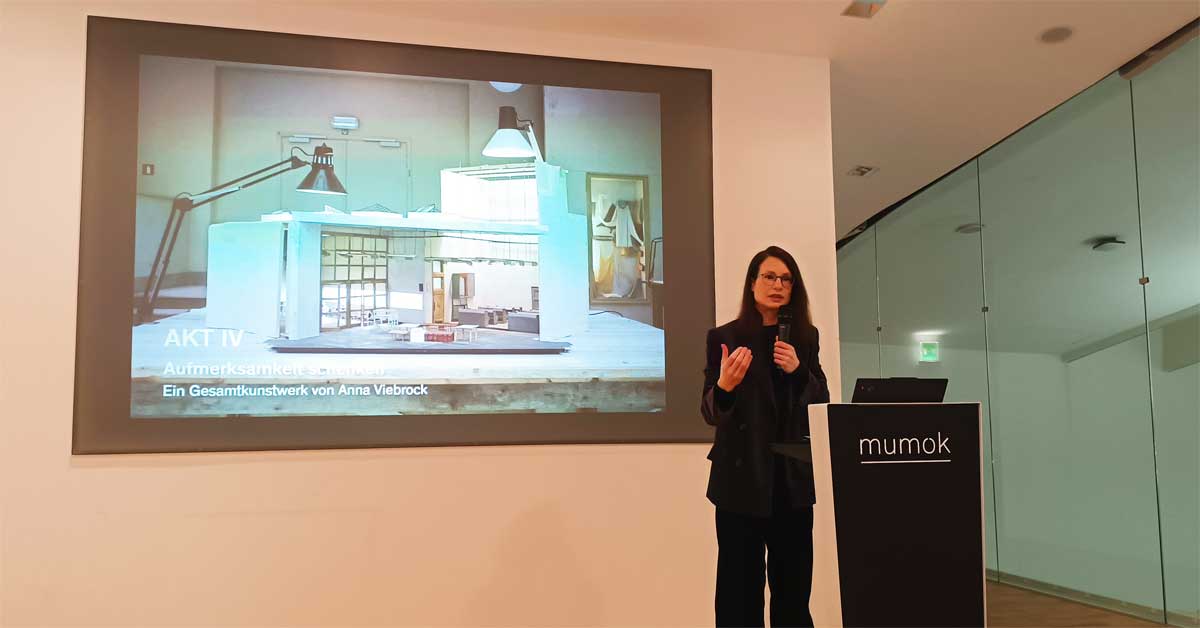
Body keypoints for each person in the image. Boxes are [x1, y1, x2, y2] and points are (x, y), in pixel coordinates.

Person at [701, 245, 830, 627]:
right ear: (752, 283)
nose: (778, 285)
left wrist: (799, 372)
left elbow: (821, 400)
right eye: (770, 277)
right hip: (740, 480)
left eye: (786, 278)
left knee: (793, 592)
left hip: (790, 480)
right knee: (739, 592)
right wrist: (724, 385)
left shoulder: (805, 339)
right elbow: (710, 411)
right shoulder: (724, 336)